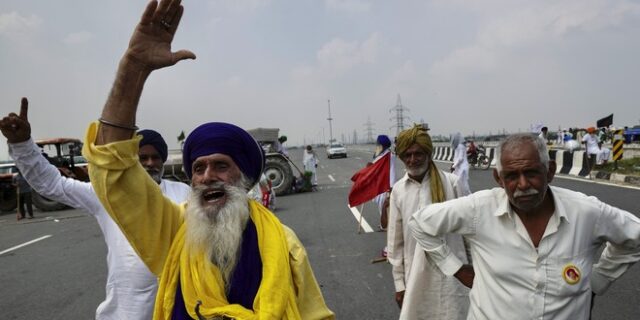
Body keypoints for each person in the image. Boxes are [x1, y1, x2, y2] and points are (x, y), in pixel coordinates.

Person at [81, 1, 334, 318]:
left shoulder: (282, 242)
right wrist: (133, 69)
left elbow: (314, 314)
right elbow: (113, 170)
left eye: (221, 165)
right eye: (198, 168)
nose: (206, 176)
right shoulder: (174, 232)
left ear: (243, 177)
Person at [408, 133, 640, 319]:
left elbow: (635, 237)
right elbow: (419, 223)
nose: (522, 184)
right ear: (499, 179)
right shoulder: (479, 209)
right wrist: (456, 268)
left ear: (549, 171)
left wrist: (599, 280)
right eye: (511, 176)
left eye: (531, 173)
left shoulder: (586, 212)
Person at [0, 98, 191, 320]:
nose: (149, 163)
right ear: (131, 161)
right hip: (126, 312)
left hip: (179, 306)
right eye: (142, 157)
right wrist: (23, 145)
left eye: (155, 157)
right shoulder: (107, 193)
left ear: (163, 160)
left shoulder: (183, 192)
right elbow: (53, 184)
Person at [387, 124, 469, 320]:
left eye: (418, 154)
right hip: (416, 277)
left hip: (455, 277)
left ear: (428, 154)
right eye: (407, 155)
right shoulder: (399, 190)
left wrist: (477, 271)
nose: (412, 160)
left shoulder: (452, 183)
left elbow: (470, 233)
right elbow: (395, 244)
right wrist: (399, 285)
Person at [373, 134, 396, 232]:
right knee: (380, 205)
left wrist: (391, 186)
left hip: (386, 185)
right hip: (379, 184)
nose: (377, 145)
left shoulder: (389, 156)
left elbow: (392, 171)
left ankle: (388, 226)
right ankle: (384, 225)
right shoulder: (379, 155)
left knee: (385, 206)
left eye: (378, 143)